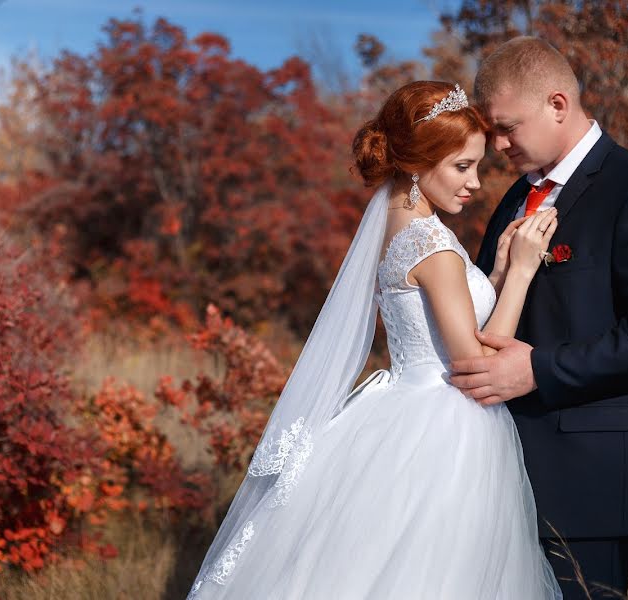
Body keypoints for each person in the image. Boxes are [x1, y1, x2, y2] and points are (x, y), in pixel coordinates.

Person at [186, 81, 562, 599]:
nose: (474, 182)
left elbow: (442, 319)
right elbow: (475, 365)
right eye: (461, 166)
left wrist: (492, 277)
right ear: (417, 163)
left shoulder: (400, 225)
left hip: (399, 407)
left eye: (476, 166)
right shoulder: (434, 246)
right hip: (447, 426)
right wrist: (520, 273)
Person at [449, 36, 628, 599]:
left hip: (593, 480)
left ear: (558, 105)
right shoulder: (517, 196)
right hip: (500, 469)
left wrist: (539, 370)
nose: (495, 143)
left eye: (506, 126)